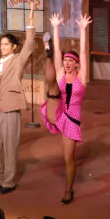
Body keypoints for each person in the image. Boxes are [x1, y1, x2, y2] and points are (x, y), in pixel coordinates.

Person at [40, 12, 92, 204]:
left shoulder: (81, 77)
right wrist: (55, 28)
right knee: (53, 81)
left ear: (76, 64)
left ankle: (69, 189)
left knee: (68, 158)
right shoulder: (61, 72)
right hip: (58, 112)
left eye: (71, 61)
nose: (67, 63)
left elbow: (83, 52)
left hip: (71, 121)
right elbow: (58, 52)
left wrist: (82, 30)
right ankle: (46, 50)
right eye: (65, 60)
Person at [0, 1, 36, 194]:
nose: (2, 47)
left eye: (6, 44)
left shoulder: (18, 60)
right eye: (1, 44)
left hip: (10, 107)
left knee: (10, 146)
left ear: (14, 47)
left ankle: (8, 181)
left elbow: (29, 45)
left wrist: (30, 18)